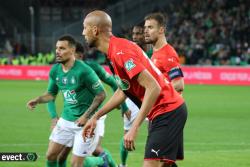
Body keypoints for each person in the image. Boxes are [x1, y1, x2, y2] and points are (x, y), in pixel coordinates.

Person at [81, 10, 188, 167]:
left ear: (95, 30)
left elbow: (154, 87)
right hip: (162, 112)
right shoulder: (113, 52)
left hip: (167, 111)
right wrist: (96, 116)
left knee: (151, 164)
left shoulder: (120, 52)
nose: (83, 32)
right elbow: (123, 90)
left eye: (85, 27)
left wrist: (134, 127)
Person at [27, 35, 106, 167]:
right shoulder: (56, 70)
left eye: (62, 48)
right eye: (57, 48)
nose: (57, 51)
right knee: (50, 155)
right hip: (65, 121)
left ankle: (102, 160)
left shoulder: (84, 71)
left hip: (84, 124)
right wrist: (38, 100)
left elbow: (101, 94)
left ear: (72, 51)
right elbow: (51, 95)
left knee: (76, 164)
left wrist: (86, 116)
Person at [46, 41, 119, 167]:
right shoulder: (63, 71)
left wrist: (123, 106)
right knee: (61, 156)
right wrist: (54, 117)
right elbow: (51, 95)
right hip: (71, 119)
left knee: (87, 157)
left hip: (95, 116)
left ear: (78, 54)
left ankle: (104, 160)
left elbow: (110, 86)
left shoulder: (91, 69)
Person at [144, 13, 184, 94]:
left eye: (150, 27)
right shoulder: (154, 51)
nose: (145, 31)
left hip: (168, 106)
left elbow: (178, 84)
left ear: (161, 30)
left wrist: (153, 96)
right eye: (145, 27)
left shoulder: (167, 54)